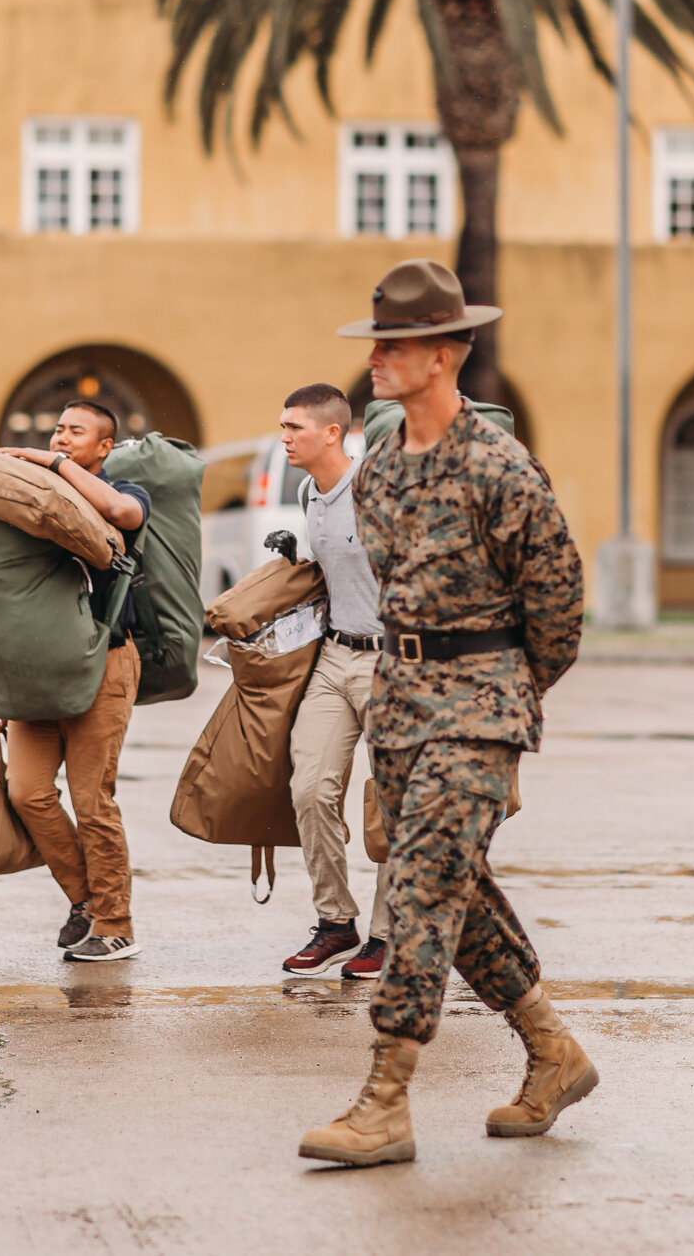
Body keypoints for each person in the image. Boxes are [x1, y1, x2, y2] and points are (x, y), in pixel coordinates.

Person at [298, 259, 589, 1169]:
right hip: (401, 705)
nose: (378, 356)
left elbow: (560, 609)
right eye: (377, 341)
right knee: (452, 896)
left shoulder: (501, 467)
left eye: (397, 343)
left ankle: (384, 1099)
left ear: (447, 352)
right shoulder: (381, 471)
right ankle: (554, 1051)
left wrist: (504, 700)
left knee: (421, 887)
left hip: (478, 709)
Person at [0, 400, 150, 962]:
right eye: (56, 429)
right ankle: (87, 902)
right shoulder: (30, 505)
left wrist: (52, 465)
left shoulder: (125, 490)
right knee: (26, 791)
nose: (59, 438)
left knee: (92, 799)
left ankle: (116, 924)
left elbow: (124, 516)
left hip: (104, 661)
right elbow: (17, 603)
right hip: (35, 673)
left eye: (73, 432)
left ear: (104, 447)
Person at [275, 382, 397, 980]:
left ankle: (387, 934)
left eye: (295, 427)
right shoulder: (308, 493)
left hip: (390, 662)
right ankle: (336, 922)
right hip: (333, 656)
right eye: (283, 426)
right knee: (310, 788)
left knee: (393, 802)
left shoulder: (375, 490)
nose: (285, 437)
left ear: (332, 432)